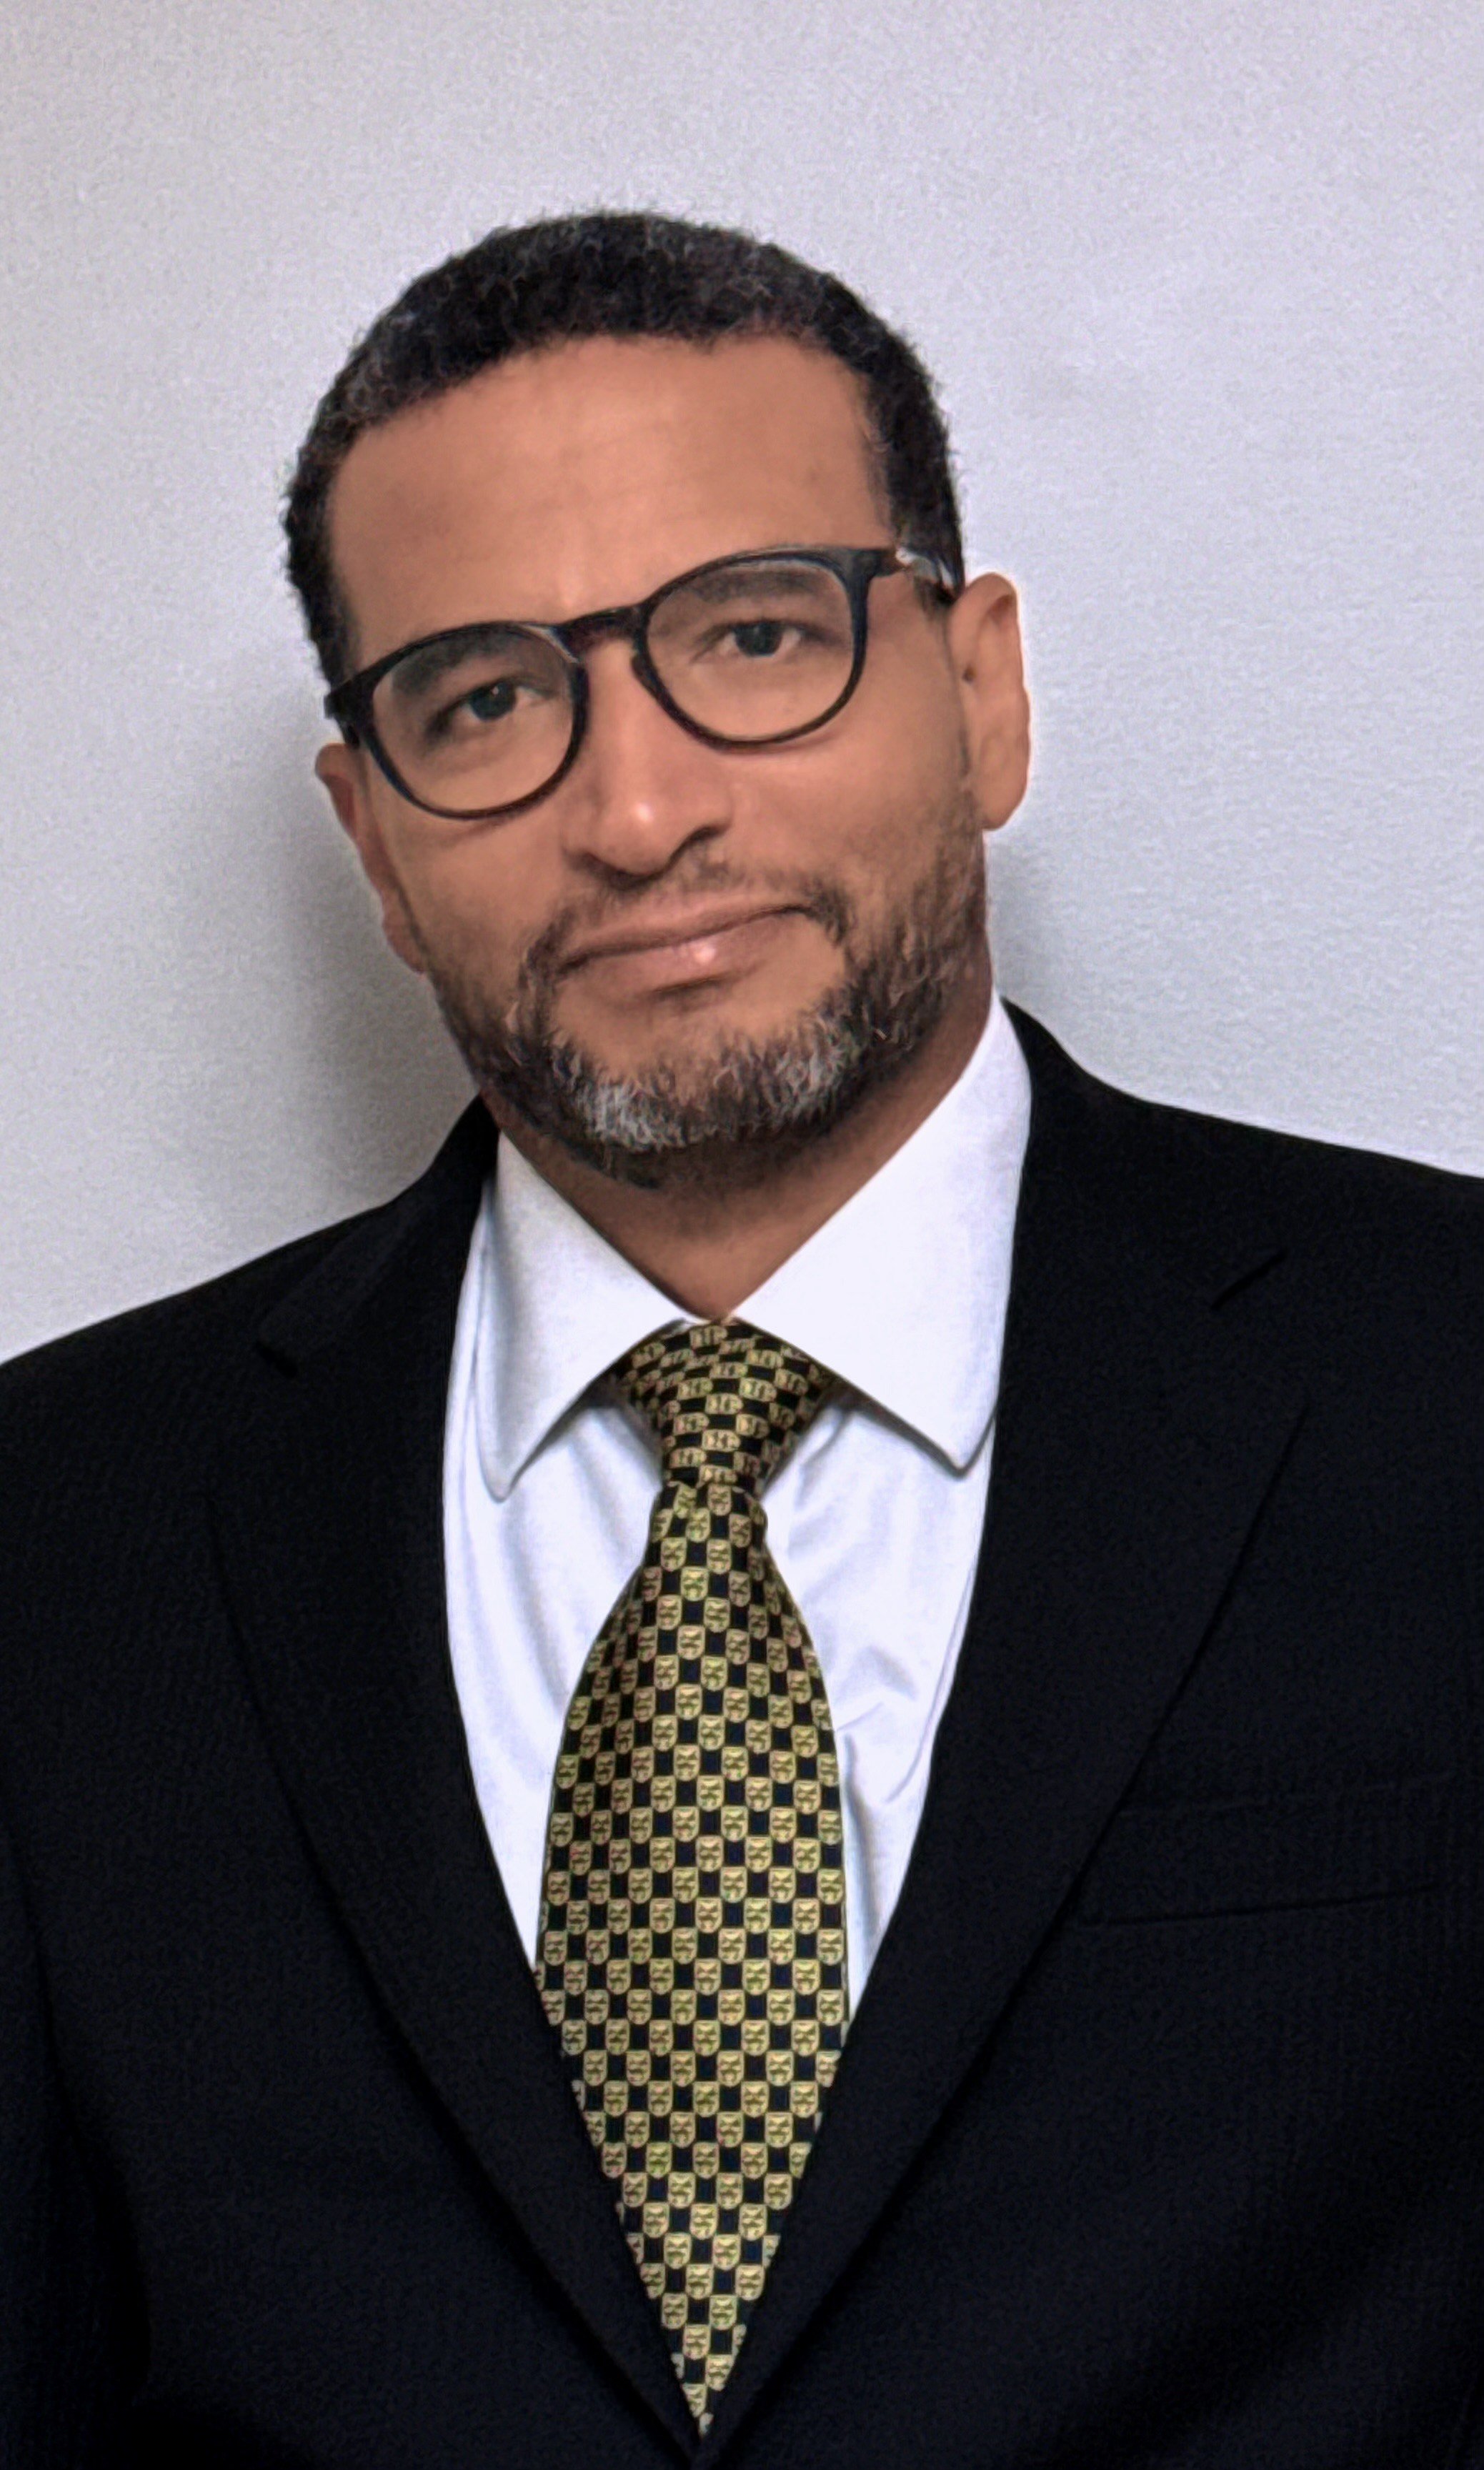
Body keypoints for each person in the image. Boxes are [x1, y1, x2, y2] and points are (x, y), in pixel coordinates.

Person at [1, 211, 1480, 2469]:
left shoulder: (1446, 1388)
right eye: (486, 698)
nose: (639, 807)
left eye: (758, 636)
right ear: (374, 840)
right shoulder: (58, 1530)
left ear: (979, 690)